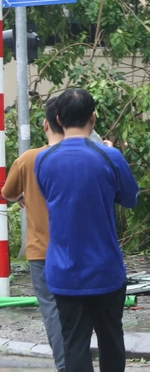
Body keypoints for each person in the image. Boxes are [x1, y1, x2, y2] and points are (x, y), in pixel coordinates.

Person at [35, 89, 139, 372]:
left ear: (57, 119)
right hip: (105, 269)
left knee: (74, 344)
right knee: (111, 341)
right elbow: (130, 198)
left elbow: (53, 198)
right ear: (93, 117)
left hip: (63, 271)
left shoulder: (42, 161)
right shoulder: (109, 156)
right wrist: (108, 152)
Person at [1, 97, 66, 371]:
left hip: (42, 251)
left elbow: (8, 192)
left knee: (51, 308)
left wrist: (21, 197)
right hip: (79, 248)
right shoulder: (89, 156)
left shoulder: (28, 158)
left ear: (46, 124)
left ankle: (66, 365)